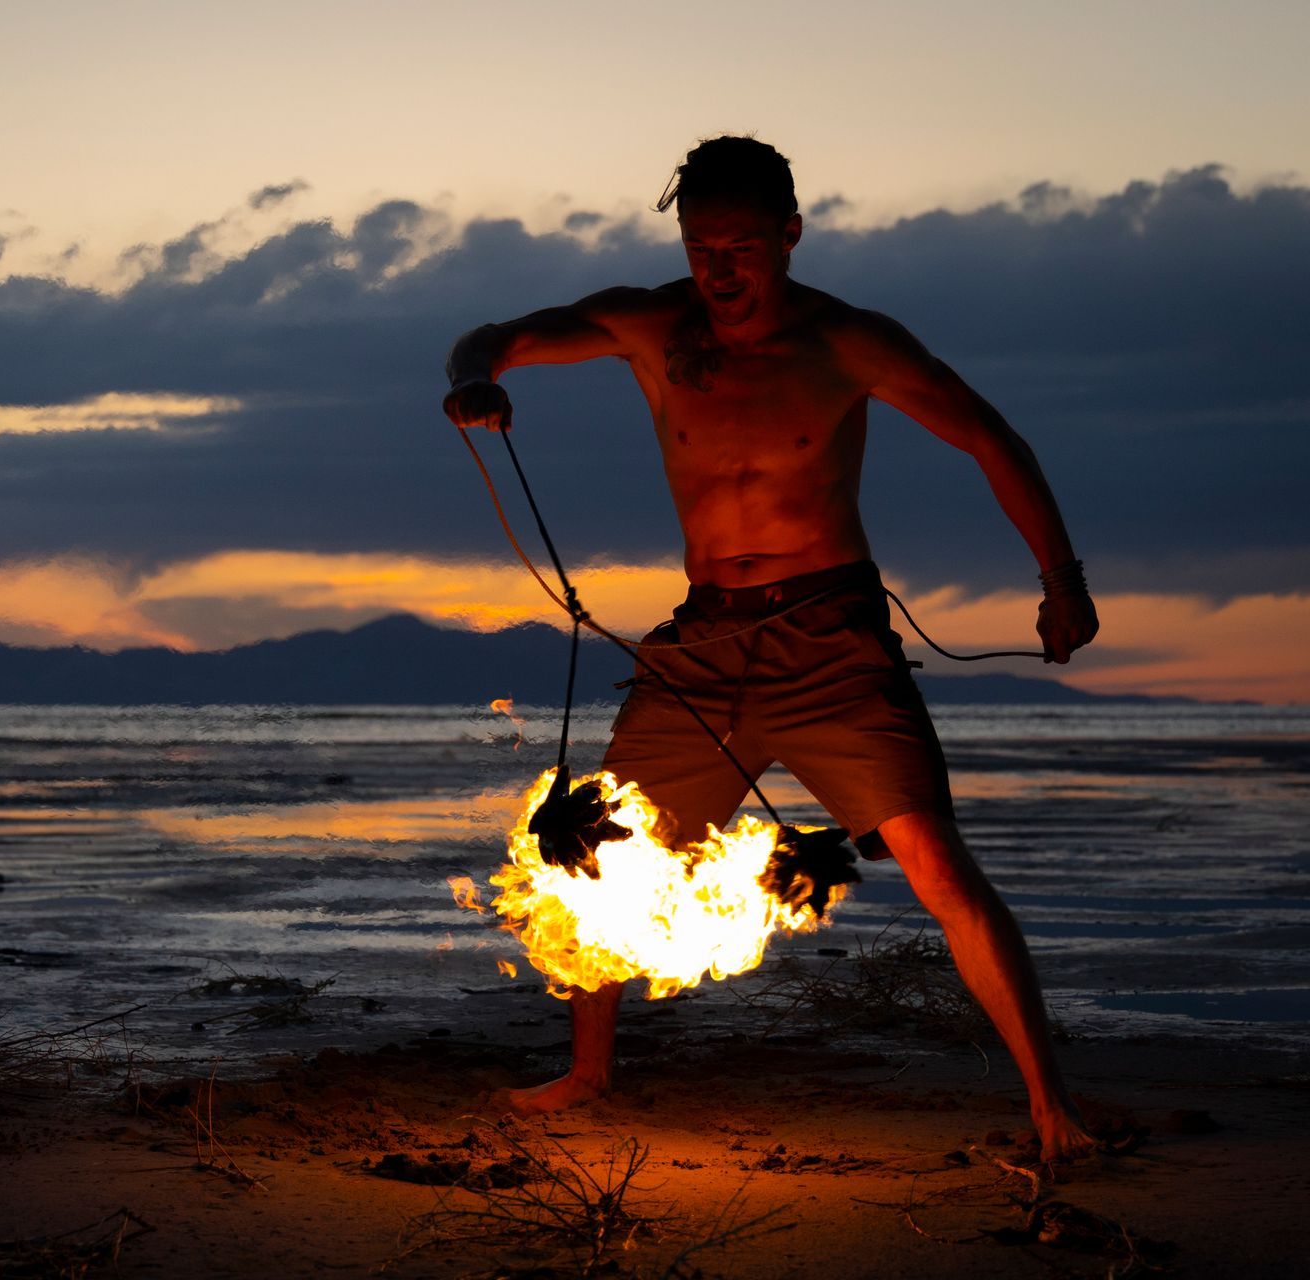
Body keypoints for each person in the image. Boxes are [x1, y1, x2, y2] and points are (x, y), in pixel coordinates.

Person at [441, 136, 1102, 1161]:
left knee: (934, 859)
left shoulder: (848, 342)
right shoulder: (655, 325)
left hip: (830, 640)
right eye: (701, 244)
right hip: (703, 643)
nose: (720, 268)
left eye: (743, 245)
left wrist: (1061, 580)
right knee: (592, 849)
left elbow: (988, 436)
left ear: (789, 236)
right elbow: (498, 335)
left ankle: (1051, 1102)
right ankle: (588, 1069)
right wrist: (476, 376)